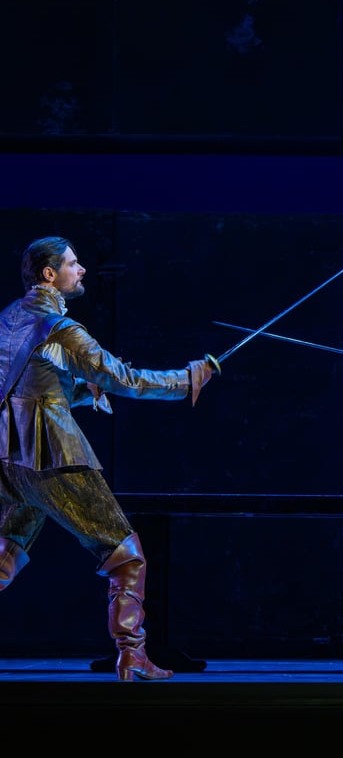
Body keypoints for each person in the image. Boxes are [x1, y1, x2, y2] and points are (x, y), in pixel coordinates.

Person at [0, 236, 215, 681]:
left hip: (8, 459)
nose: (81, 270)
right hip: (52, 456)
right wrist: (186, 379)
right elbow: (125, 379)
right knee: (124, 553)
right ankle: (132, 654)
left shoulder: (9, 318)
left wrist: (81, 388)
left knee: (4, 554)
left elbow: (29, 384)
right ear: (49, 274)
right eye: (73, 263)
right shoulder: (62, 329)